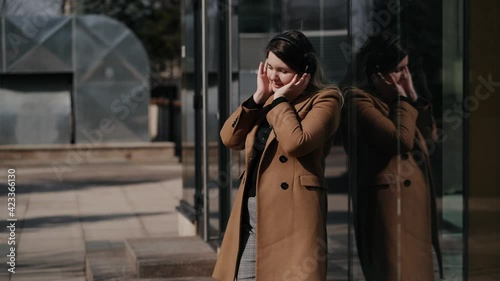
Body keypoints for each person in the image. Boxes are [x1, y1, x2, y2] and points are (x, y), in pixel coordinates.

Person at [212, 30, 343, 281]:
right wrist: (258, 98)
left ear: (305, 73)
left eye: (283, 70)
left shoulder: (326, 100)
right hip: (252, 209)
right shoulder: (266, 100)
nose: (273, 76)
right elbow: (230, 139)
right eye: (270, 67)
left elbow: (297, 142)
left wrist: (280, 101)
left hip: (293, 213)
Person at [340, 31, 443, 281]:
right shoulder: (358, 100)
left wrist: (413, 96)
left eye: (406, 69)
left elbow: (429, 138)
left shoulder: (401, 101)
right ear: (377, 73)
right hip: (387, 209)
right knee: (393, 272)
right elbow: (401, 141)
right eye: (398, 69)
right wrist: (401, 98)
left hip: (413, 204)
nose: (404, 76)